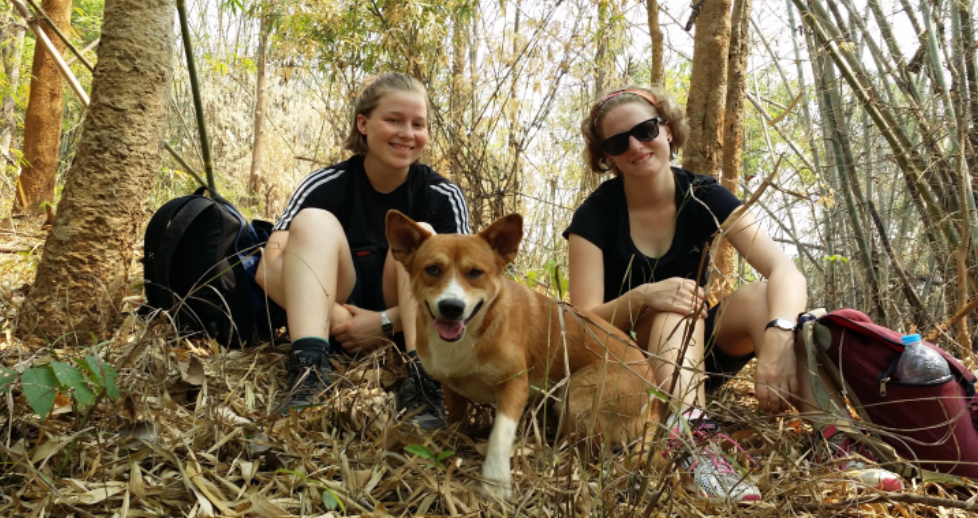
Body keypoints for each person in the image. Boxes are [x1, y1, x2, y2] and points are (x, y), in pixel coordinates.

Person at [564, 86, 810, 502]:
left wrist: (779, 335)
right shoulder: (595, 215)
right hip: (631, 366)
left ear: (668, 131)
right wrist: (643, 296)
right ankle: (694, 445)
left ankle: (836, 438)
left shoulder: (702, 194)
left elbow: (785, 270)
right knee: (674, 306)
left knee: (763, 296)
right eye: (618, 142)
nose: (635, 147)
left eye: (645, 130)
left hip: (698, 357)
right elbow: (581, 322)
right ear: (607, 156)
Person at [256, 72, 470, 430]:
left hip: (411, 328)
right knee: (313, 221)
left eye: (418, 124)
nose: (407, 133)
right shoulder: (325, 185)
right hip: (333, 317)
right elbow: (268, 268)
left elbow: (464, 291)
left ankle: (423, 384)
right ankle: (308, 373)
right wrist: (339, 318)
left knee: (423, 236)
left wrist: (384, 324)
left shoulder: (442, 195)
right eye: (394, 120)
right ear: (363, 124)